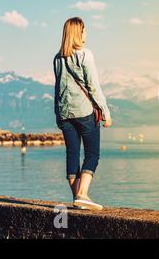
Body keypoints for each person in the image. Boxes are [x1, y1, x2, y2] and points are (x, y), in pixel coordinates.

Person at [53, 17, 112, 210]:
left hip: (64, 114)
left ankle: (77, 199)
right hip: (84, 111)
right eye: (85, 30)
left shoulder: (57, 58)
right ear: (79, 32)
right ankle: (82, 194)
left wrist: (58, 114)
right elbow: (93, 87)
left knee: (72, 154)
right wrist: (105, 111)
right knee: (92, 154)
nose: (87, 34)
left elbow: (58, 88)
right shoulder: (85, 55)